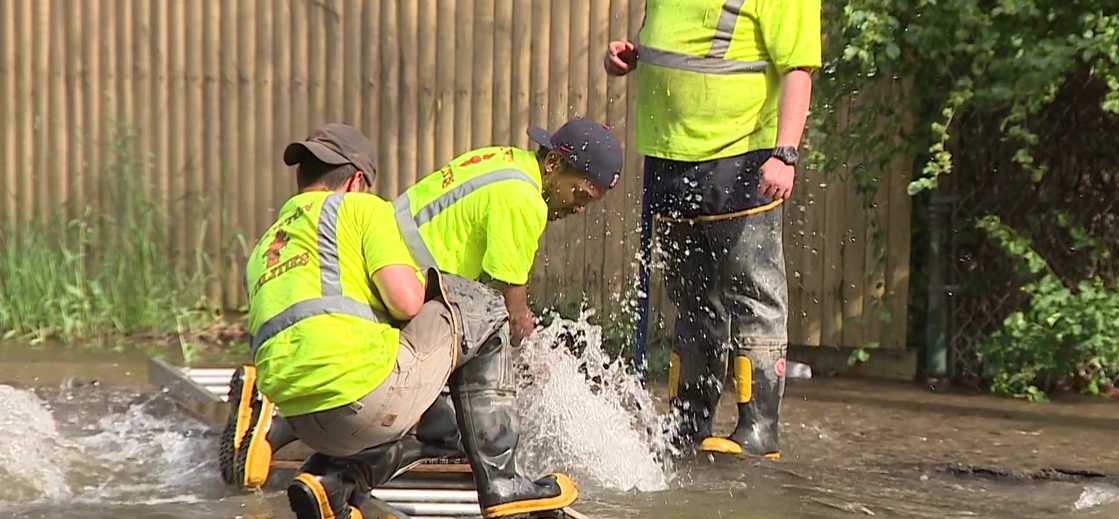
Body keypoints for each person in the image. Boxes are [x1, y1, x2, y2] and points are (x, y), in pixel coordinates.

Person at [224, 118, 622, 493]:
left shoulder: (501, 160)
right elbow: (510, 308)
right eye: (580, 193)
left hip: (356, 288)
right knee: (483, 321)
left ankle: (270, 432)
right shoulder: (523, 200)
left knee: (354, 389)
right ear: (553, 163)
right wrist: (541, 365)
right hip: (394, 279)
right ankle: (502, 482)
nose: (578, 208)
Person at [605, 1, 821, 460]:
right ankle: (689, 420)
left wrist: (785, 154)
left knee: (752, 292)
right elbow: (686, 46)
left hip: (742, 157)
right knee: (690, 296)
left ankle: (758, 427)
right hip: (669, 155)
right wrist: (633, 57)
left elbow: (797, 69)